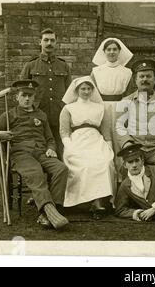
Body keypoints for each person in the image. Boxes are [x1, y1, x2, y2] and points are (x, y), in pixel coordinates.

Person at [0, 80, 69, 230]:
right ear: (17, 97)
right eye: (24, 95)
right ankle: (50, 212)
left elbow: (49, 138)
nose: (27, 99)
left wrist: (51, 148)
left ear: (34, 98)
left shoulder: (41, 114)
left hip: (42, 152)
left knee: (62, 169)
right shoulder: (9, 115)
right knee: (36, 173)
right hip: (21, 154)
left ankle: (49, 213)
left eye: (30, 96)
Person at [59, 76, 115, 220]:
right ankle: (79, 202)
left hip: (96, 140)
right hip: (76, 141)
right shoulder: (68, 108)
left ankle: (99, 201)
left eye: (89, 88)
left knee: (104, 162)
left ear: (92, 90)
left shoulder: (100, 108)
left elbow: (106, 131)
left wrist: (109, 147)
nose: (86, 91)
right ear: (77, 90)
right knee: (83, 164)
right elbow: (64, 131)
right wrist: (69, 147)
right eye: (83, 89)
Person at [116, 59, 155, 179]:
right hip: (135, 147)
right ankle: (132, 196)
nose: (145, 79)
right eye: (141, 76)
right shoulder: (126, 102)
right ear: (136, 80)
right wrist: (127, 143)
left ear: (154, 80)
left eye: (149, 76)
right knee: (124, 168)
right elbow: (119, 126)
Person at [20, 28, 72, 159]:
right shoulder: (31, 65)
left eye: (52, 40)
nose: (49, 43)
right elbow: (22, 91)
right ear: (40, 42)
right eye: (46, 40)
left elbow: (70, 93)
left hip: (58, 114)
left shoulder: (64, 66)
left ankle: (59, 177)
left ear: (56, 43)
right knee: (38, 148)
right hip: (37, 114)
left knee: (60, 148)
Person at [90, 38, 134, 182]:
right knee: (104, 139)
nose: (112, 52)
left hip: (121, 107)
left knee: (119, 139)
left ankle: (123, 178)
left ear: (119, 52)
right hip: (102, 106)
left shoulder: (127, 72)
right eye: (108, 49)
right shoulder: (96, 71)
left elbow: (130, 93)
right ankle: (105, 178)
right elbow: (92, 93)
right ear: (104, 52)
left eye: (115, 49)